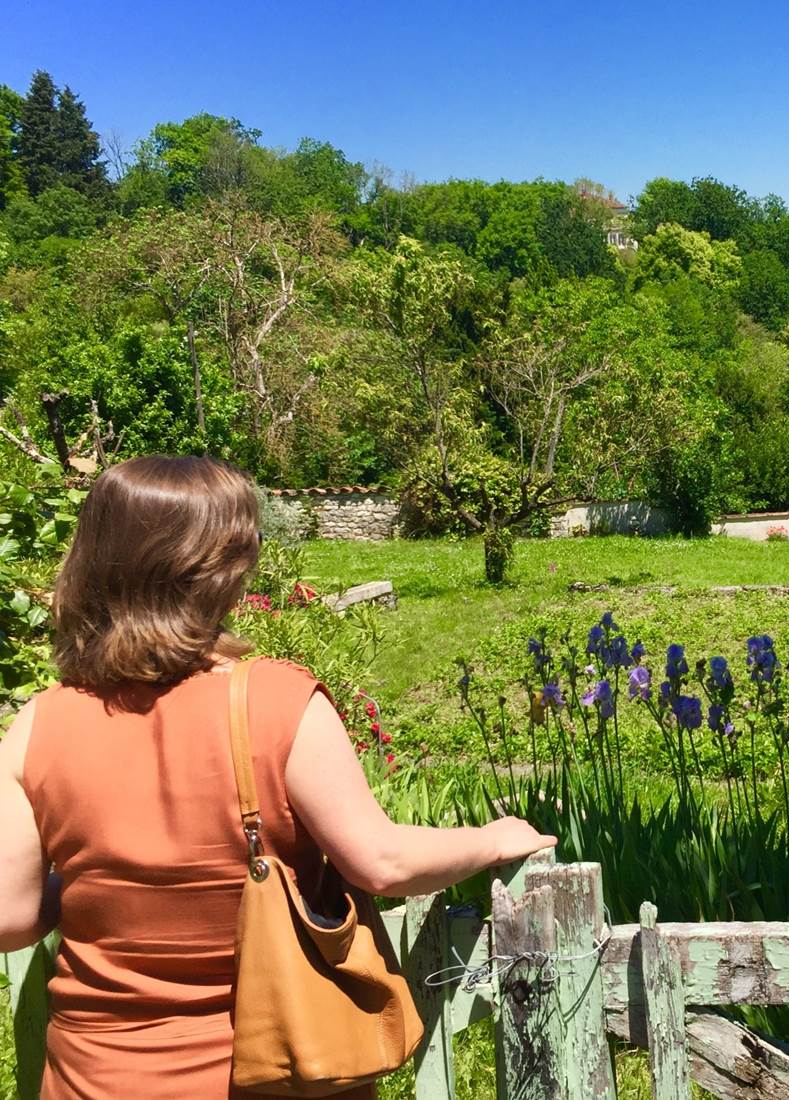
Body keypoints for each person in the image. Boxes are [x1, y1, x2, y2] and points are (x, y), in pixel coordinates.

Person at [0, 456, 556, 1098]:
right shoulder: (276, 701)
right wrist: (494, 838)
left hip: (95, 1077)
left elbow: (11, 918)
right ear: (222, 571)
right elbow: (381, 862)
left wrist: (96, 878)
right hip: (267, 1073)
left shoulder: (38, 723)